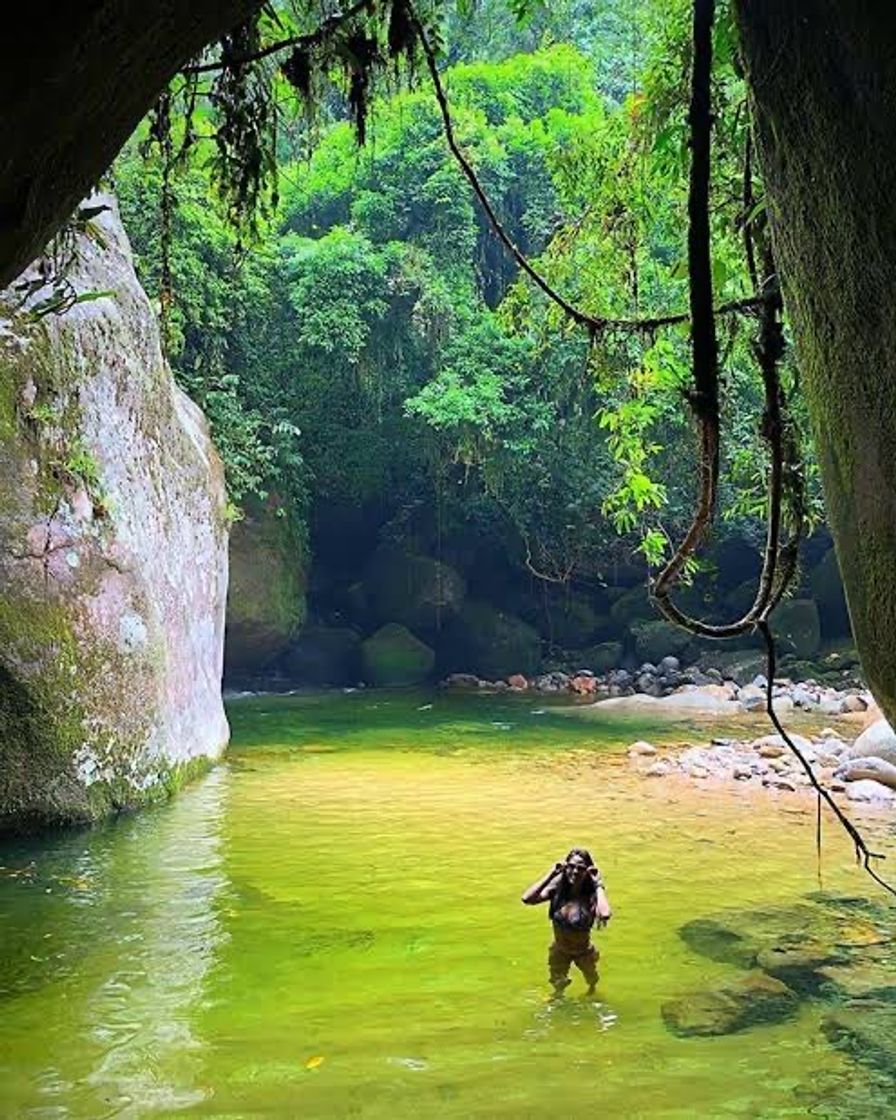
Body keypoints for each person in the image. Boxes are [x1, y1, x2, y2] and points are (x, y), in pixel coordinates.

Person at [521, 847, 612, 997]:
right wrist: (551, 874)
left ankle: (592, 992)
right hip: (560, 950)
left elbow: (605, 914)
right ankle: (558, 997)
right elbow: (527, 899)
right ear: (566, 867)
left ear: (587, 871)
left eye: (581, 868)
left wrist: (598, 884)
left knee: (591, 980)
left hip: (583, 952)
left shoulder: (590, 897)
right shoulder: (558, 890)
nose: (575, 872)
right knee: (556, 982)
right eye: (571, 866)